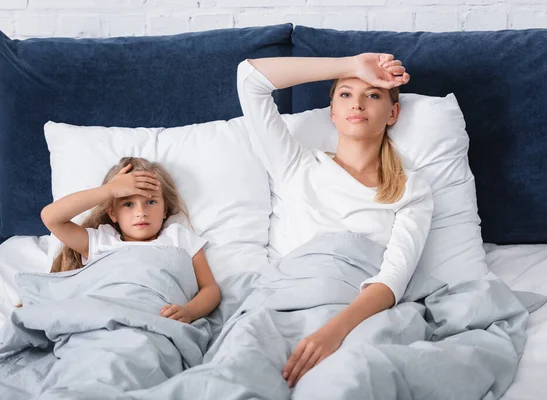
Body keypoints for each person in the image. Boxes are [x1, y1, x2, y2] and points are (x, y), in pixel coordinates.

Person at [238, 53, 434, 387]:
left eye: (372, 95)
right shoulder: (296, 166)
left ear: (393, 113)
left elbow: (393, 278)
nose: (357, 104)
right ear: (332, 112)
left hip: (357, 314)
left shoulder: (410, 188)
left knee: (345, 382)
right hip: (288, 304)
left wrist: (334, 331)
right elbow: (249, 78)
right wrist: (352, 65)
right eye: (345, 94)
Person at [40, 156, 221, 323]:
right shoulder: (100, 240)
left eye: (151, 202)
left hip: (157, 321)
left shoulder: (178, 237)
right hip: (104, 319)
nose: (141, 212)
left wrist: (189, 312)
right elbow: (51, 217)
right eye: (128, 204)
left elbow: (210, 289)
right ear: (112, 213)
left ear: (165, 209)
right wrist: (108, 190)